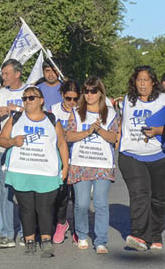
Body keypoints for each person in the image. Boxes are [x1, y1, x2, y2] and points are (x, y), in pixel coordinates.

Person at [0, 86, 68, 258]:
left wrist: (65, 166)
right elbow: (1, 140)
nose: (27, 101)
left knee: (44, 208)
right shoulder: (16, 119)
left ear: (41, 100)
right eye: (25, 98)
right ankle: (29, 240)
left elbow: (61, 143)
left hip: (46, 171)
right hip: (21, 170)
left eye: (31, 97)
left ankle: (46, 240)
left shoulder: (52, 120)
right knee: (26, 208)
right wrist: (13, 141)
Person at [118, 67, 165, 252]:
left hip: (161, 156)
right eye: (139, 80)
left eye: (146, 80)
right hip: (132, 155)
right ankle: (139, 235)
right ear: (134, 82)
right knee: (140, 195)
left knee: (158, 199)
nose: (142, 84)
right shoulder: (127, 100)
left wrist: (159, 131)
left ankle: (156, 235)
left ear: (153, 82)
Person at [66, 77, 117, 253]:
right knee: (81, 203)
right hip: (81, 163)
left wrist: (100, 130)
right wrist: (88, 131)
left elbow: (114, 138)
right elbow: (69, 136)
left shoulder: (110, 113)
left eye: (93, 91)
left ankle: (101, 240)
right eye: (86, 91)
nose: (89, 95)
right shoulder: (76, 112)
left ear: (100, 93)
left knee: (101, 203)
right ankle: (81, 235)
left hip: (102, 164)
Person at [0, 59, 28, 248]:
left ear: (17, 74)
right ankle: (6, 233)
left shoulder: (30, 92)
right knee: (5, 192)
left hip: (25, 149)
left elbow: (39, 116)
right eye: (2, 73)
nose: (3, 77)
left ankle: (24, 232)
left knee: (23, 192)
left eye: (6, 73)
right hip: (3, 148)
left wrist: (17, 109)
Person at [48, 80, 79, 244]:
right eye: (69, 98)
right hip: (59, 157)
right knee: (61, 194)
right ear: (62, 95)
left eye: (76, 99)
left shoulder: (82, 111)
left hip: (79, 157)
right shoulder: (53, 110)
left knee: (78, 197)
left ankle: (77, 229)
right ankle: (61, 223)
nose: (72, 103)